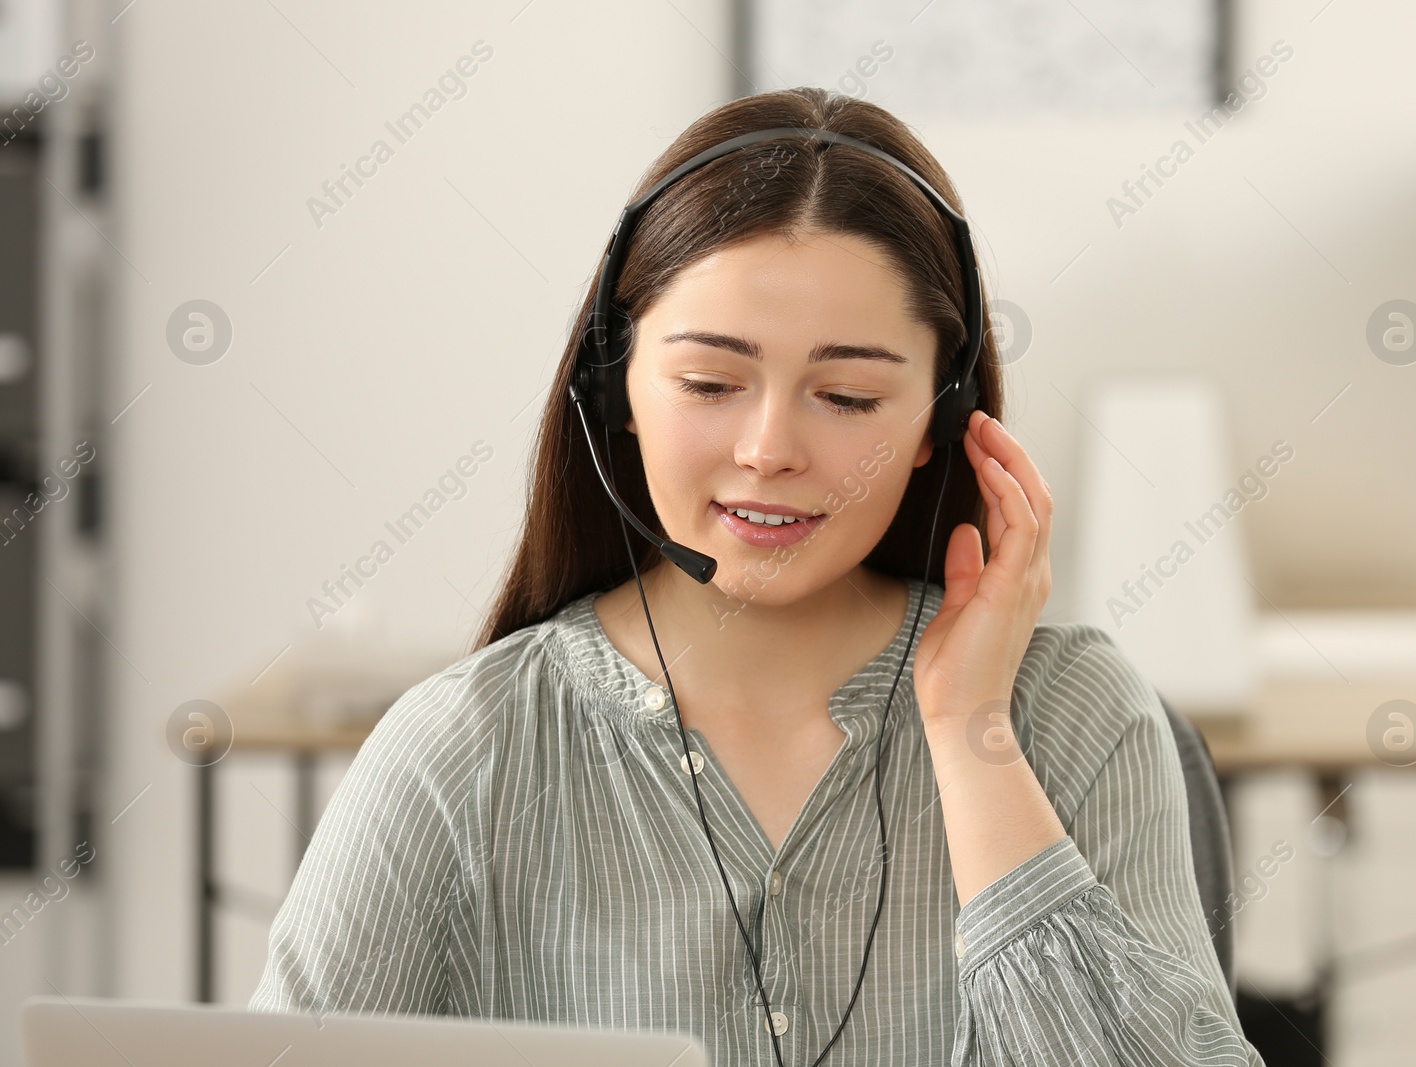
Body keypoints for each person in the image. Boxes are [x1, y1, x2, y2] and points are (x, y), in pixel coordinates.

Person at [249, 85, 1263, 1067]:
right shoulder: (461, 751)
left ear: (939, 422)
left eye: (848, 395)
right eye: (709, 383)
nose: (769, 447)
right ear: (618, 388)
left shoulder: (1079, 717)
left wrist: (970, 732)